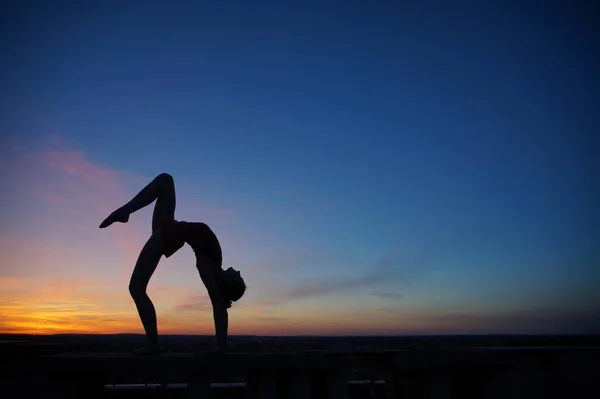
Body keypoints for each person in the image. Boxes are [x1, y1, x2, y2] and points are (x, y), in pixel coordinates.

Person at [99, 173, 246, 355]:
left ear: (229, 283)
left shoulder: (210, 270)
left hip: (167, 235)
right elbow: (219, 305)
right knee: (165, 180)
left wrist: (221, 344)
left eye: (238, 277)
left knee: (136, 288)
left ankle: (153, 345)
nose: (238, 271)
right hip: (169, 226)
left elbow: (218, 306)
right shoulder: (215, 263)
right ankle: (125, 211)